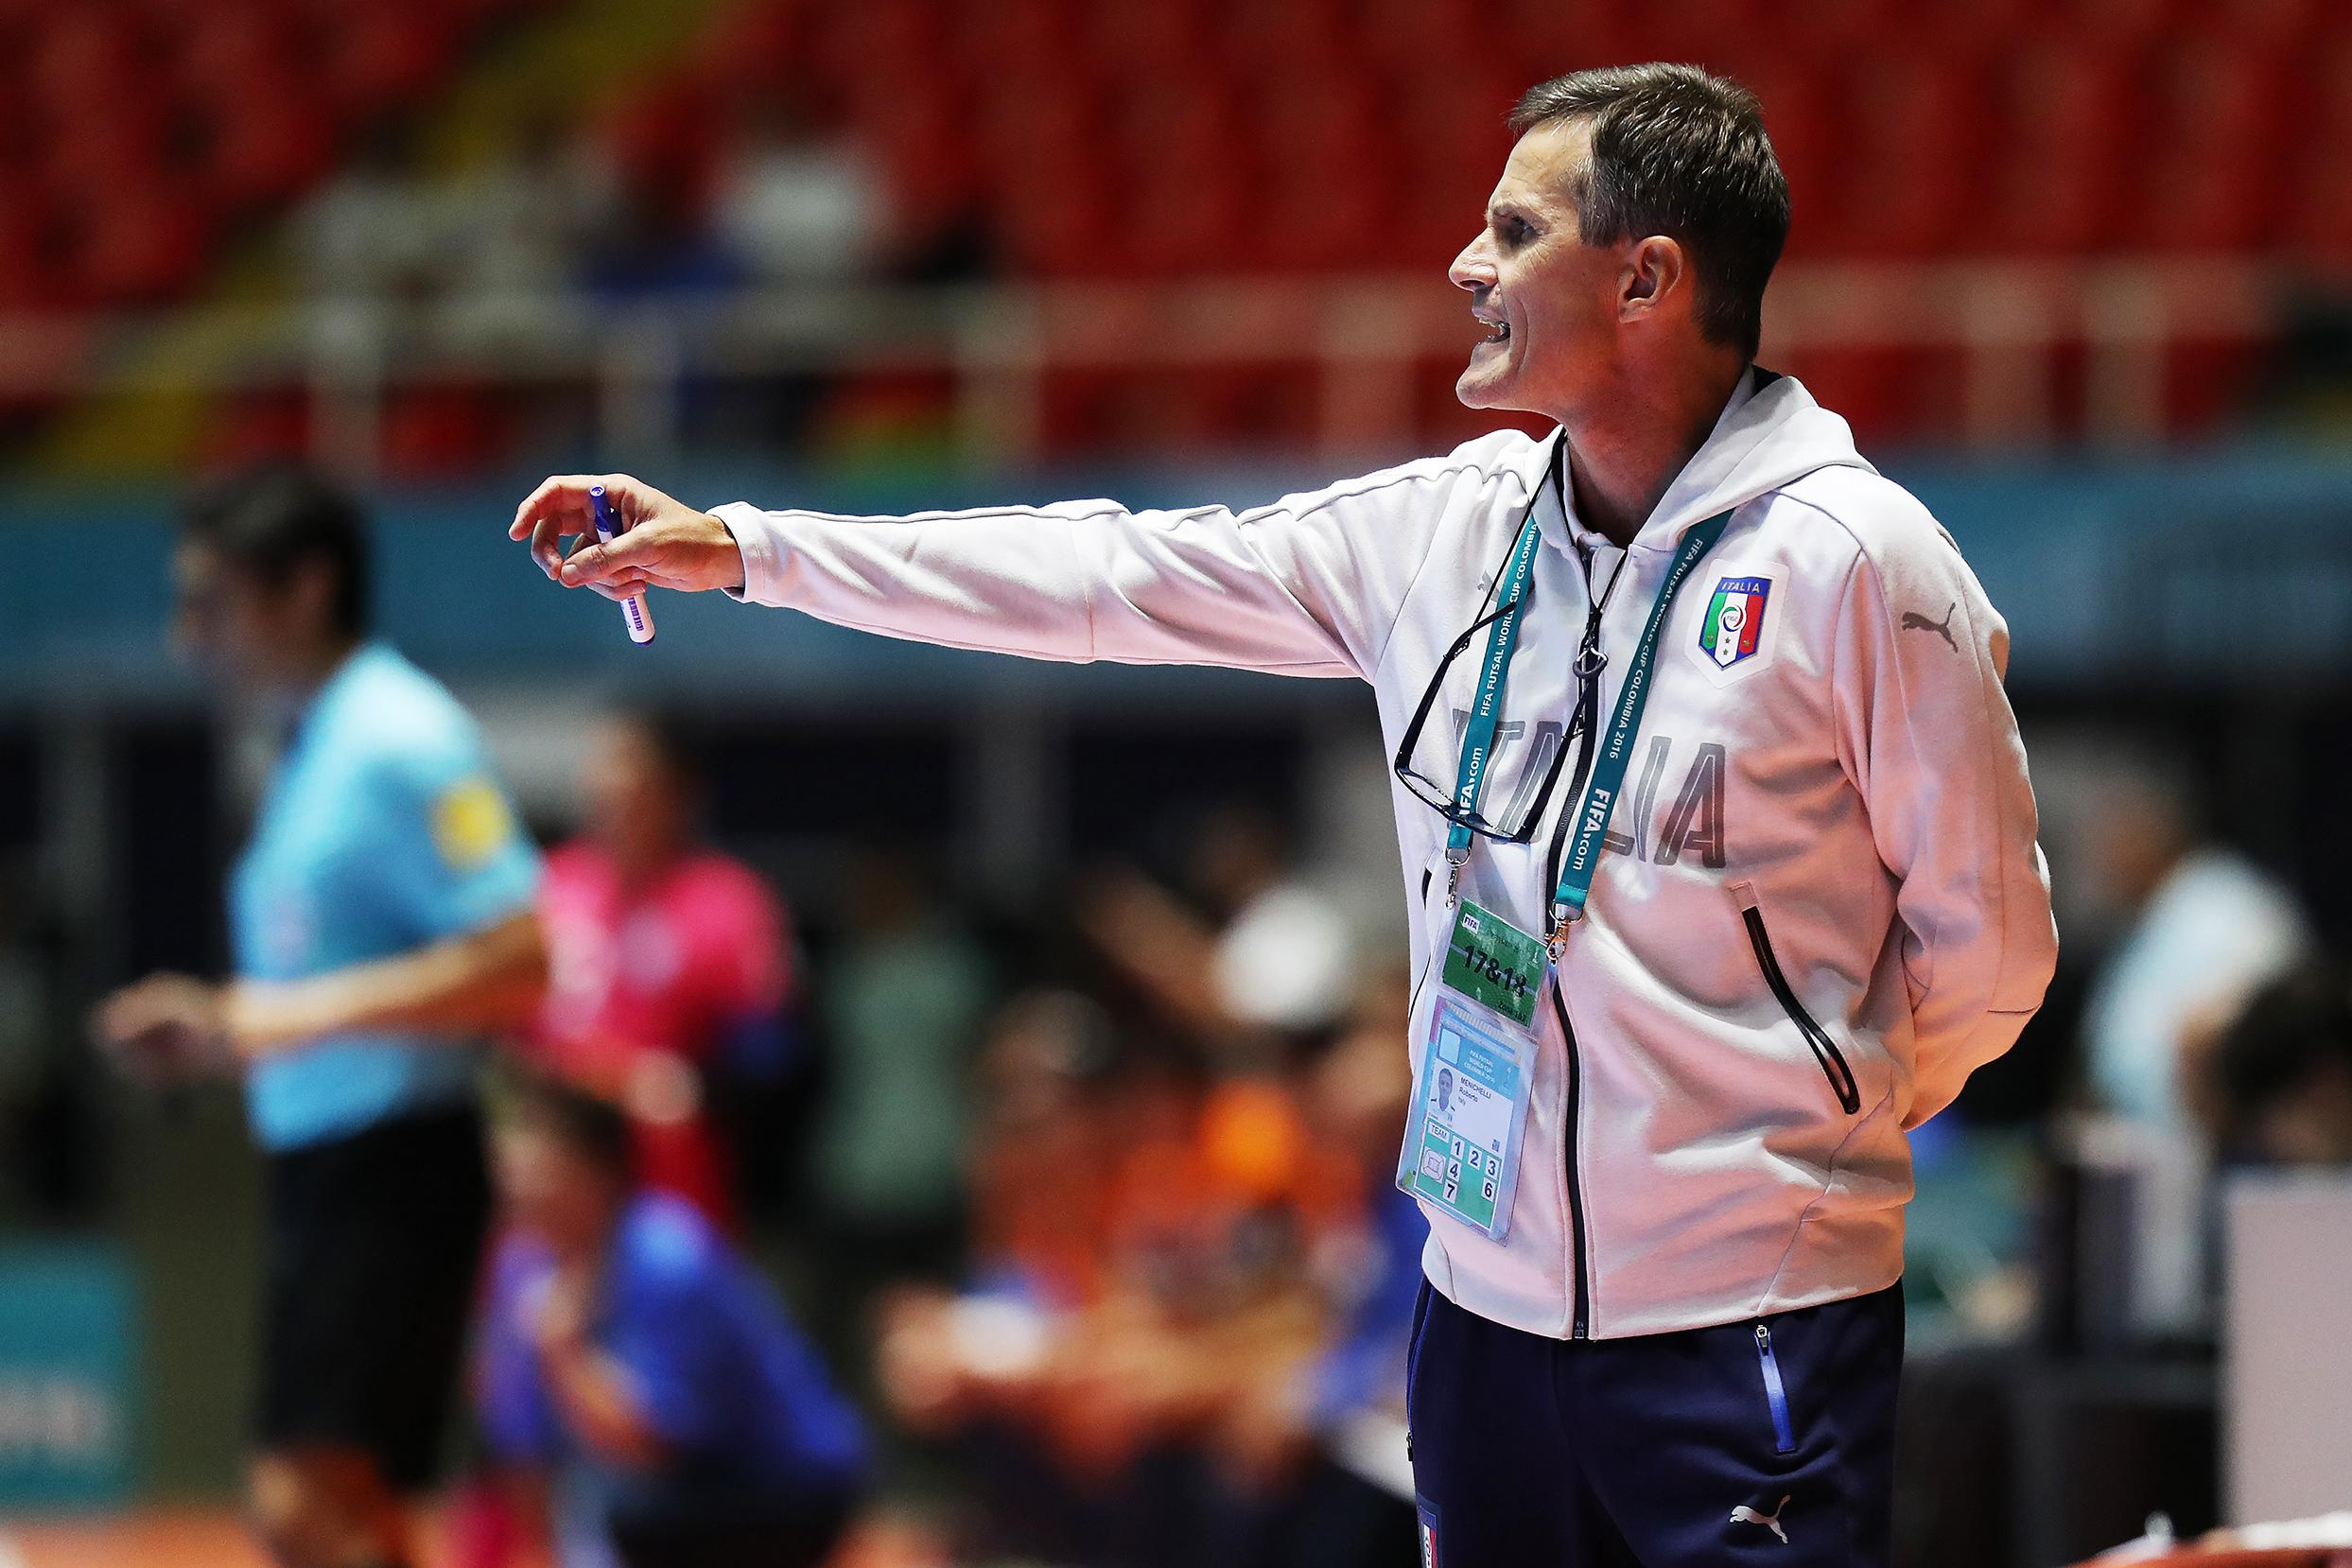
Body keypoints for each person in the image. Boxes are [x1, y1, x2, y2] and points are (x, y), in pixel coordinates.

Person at [511, 63, 2058, 1568]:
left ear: (1647, 276)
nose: (1466, 264)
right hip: (1478, 1319)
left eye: (1516, 233)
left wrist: (1783, 1139)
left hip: (1750, 1322)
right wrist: (748, 546)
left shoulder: (1857, 566)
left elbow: (1986, 956)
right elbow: (1105, 575)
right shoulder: (1439, 539)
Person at [95, 464, 547, 1568]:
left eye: (211, 602)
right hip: (323, 1158)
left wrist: (270, 1018)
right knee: (343, 1511)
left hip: (397, 1159)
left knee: (309, 1497)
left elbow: (522, 957)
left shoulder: (404, 737)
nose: (186, 637)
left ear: (305, 588)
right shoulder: (303, 748)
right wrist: (225, 1031)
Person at [474, 1070, 866, 1568]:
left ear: (601, 1172)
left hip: (787, 1485)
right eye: (509, 1168)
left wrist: (563, 1354)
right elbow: (520, 1446)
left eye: (542, 1167)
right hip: (657, 1488)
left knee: (629, 1514)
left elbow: (654, 1445)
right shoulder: (521, 1266)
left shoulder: (666, 1254)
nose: (521, 1186)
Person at [533, 710, 797, 1225]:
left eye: (633, 787)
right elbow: (503, 1043)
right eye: (602, 783)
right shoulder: (547, 889)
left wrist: (695, 1087)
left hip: (673, 1191)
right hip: (554, 1192)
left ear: (677, 794)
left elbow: (771, 1061)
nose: (613, 802)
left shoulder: (728, 903)